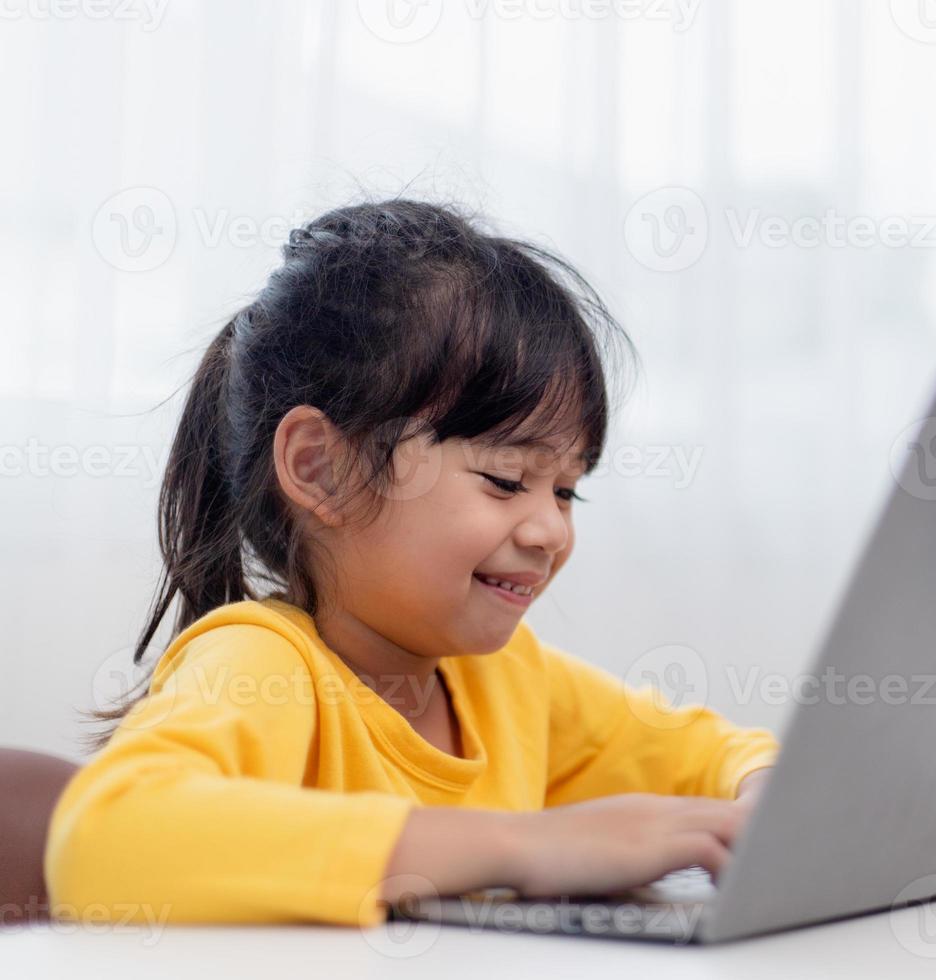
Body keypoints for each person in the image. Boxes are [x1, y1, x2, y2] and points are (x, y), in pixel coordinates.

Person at [44, 200, 778, 927]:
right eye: (505, 480)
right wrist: (525, 845)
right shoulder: (264, 664)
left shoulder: (509, 679)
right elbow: (103, 838)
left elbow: (715, 754)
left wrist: (760, 797)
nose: (552, 529)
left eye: (567, 490)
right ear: (321, 470)